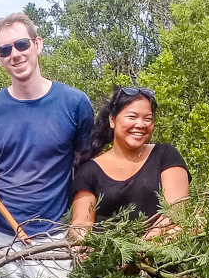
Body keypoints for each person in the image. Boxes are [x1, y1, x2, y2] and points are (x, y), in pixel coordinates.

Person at [0, 12, 94, 278]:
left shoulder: (75, 103)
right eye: (5, 50)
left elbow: (86, 170)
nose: (15, 54)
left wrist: (80, 228)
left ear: (37, 44)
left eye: (21, 44)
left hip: (52, 236)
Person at [71, 86, 190, 239]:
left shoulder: (166, 156)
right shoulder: (89, 171)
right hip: (105, 259)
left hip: (159, 255)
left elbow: (175, 214)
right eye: (132, 117)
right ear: (112, 120)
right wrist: (90, 249)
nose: (140, 124)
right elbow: (81, 225)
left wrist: (139, 250)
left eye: (148, 119)